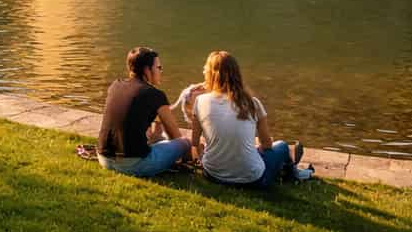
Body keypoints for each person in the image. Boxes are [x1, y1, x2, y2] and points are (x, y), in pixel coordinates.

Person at [190, 50, 312, 188]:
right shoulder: (252, 103)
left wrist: (204, 157)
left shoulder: (200, 101)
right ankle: (294, 172)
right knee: (282, 146)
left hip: (213, 175)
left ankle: (289, 169)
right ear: (237, 75)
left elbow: (194, 143)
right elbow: (266, 144)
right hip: (252, 180)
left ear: (210, 75)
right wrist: (254, 149)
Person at [98, 45, 192, 177]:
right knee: (185, 143)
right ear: (147, 70)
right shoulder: (155, 95)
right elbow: (175, 136)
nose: (161, 71)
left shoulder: (116, 85)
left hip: (104, 158)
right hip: (134, 165)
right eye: (159, 68)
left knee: (157, 137)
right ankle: (189, 170)